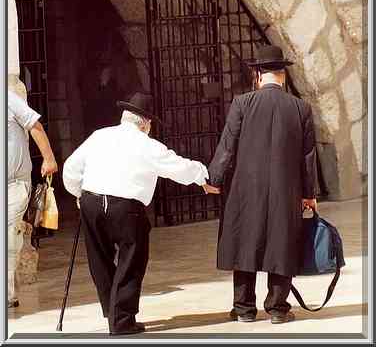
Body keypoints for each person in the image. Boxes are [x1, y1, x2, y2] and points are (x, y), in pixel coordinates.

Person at [62, 92, 218, 335]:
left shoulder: (99, 136)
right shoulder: (147, 144)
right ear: (145, 122)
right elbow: (177, 167)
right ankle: (122, 320)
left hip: (92, 202)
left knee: (99, 261)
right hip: (126, 209)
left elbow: (71, 168)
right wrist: (203, 176)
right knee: (131, 262)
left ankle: (113, 312)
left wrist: (78, 194)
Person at [207, 45, 318, 324]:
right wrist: (309, 194)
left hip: (246, 191)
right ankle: (278, 309)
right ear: (282, 75)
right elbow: (308, 156)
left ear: (257, 74)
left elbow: (227, 147)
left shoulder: (242, 103)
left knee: (246, 242)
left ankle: (244, 309)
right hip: (286, 190)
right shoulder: (301, 108)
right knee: (282, 242)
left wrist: (214, 179)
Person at [8, 89, 58, 308]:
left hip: (14, 184)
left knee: (8, 236)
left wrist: (48, 158)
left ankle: (7, 294)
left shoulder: (7, 98)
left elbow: (34, 125)